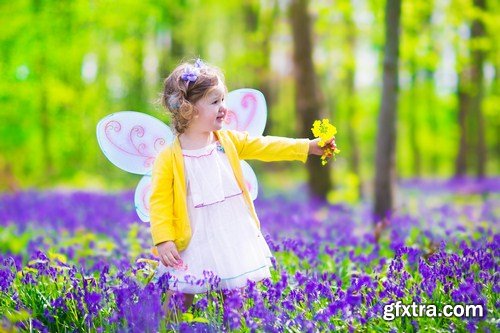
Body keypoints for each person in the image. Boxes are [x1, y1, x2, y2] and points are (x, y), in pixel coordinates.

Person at [149, 59, 332, 313]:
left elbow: (266, 146)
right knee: (181, 291)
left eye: (223, 100)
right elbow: (158, 201)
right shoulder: (169, 157)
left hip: (229, 228)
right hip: (192, 235)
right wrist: (164, 239)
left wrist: (307, 146)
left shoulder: (228, 141)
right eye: (215, 102)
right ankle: (166, 328)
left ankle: (233, 325)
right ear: (188, 110)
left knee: (233, 290)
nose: (224, 108)